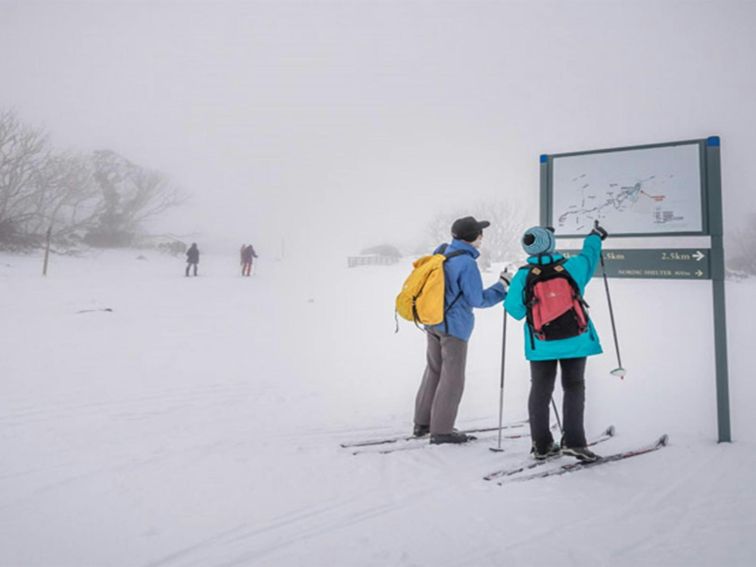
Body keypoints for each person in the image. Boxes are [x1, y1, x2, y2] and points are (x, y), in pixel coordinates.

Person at [504, 223, 608, 462]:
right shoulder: (572, 267)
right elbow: (589, 256)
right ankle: (575, 442)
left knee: (540, 390)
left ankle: (541, 445)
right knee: (574, 386)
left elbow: (515, 310)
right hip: (576, 339)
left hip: (541, 344)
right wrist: (594, 237)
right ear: (551, 243)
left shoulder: (523, 276)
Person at [413, 216, 510, 444]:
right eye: (480, 233)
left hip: (432, 321)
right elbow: (477, 299)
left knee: (433, 372)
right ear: (474, 237)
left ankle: (422, 423)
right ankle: (442, 431)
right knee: (452, 379)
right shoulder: (466, 263)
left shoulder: (442, 252)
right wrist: (502, 286)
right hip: (453, 328)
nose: (482, 237)